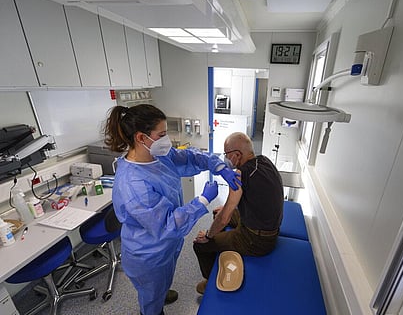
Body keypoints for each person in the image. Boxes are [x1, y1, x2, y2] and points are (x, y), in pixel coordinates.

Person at [103, 104, 241, 315]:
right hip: (148, 253)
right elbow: (167, 225)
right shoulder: (133, 183)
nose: (166, 140)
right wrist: (202, 201)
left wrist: (218, 166)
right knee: (151, 299)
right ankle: (153, 307)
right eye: (162, 134)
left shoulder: (158, 156)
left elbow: (190, 157)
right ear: (141, 138)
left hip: (165, 246)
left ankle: (161, 291)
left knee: (163, 279)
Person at [193, 132, 284, 294]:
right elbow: (255, 197)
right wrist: (226, 211)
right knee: (218, 213)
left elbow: (224, 218)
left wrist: (207, 236)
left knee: (200, 244)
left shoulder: (240, 175)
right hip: (266, 226)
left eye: (226, 155)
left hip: (256, 240)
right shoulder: (264, 161)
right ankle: (220, 250)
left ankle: (210, 282)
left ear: (236, 155)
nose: (225, 159)